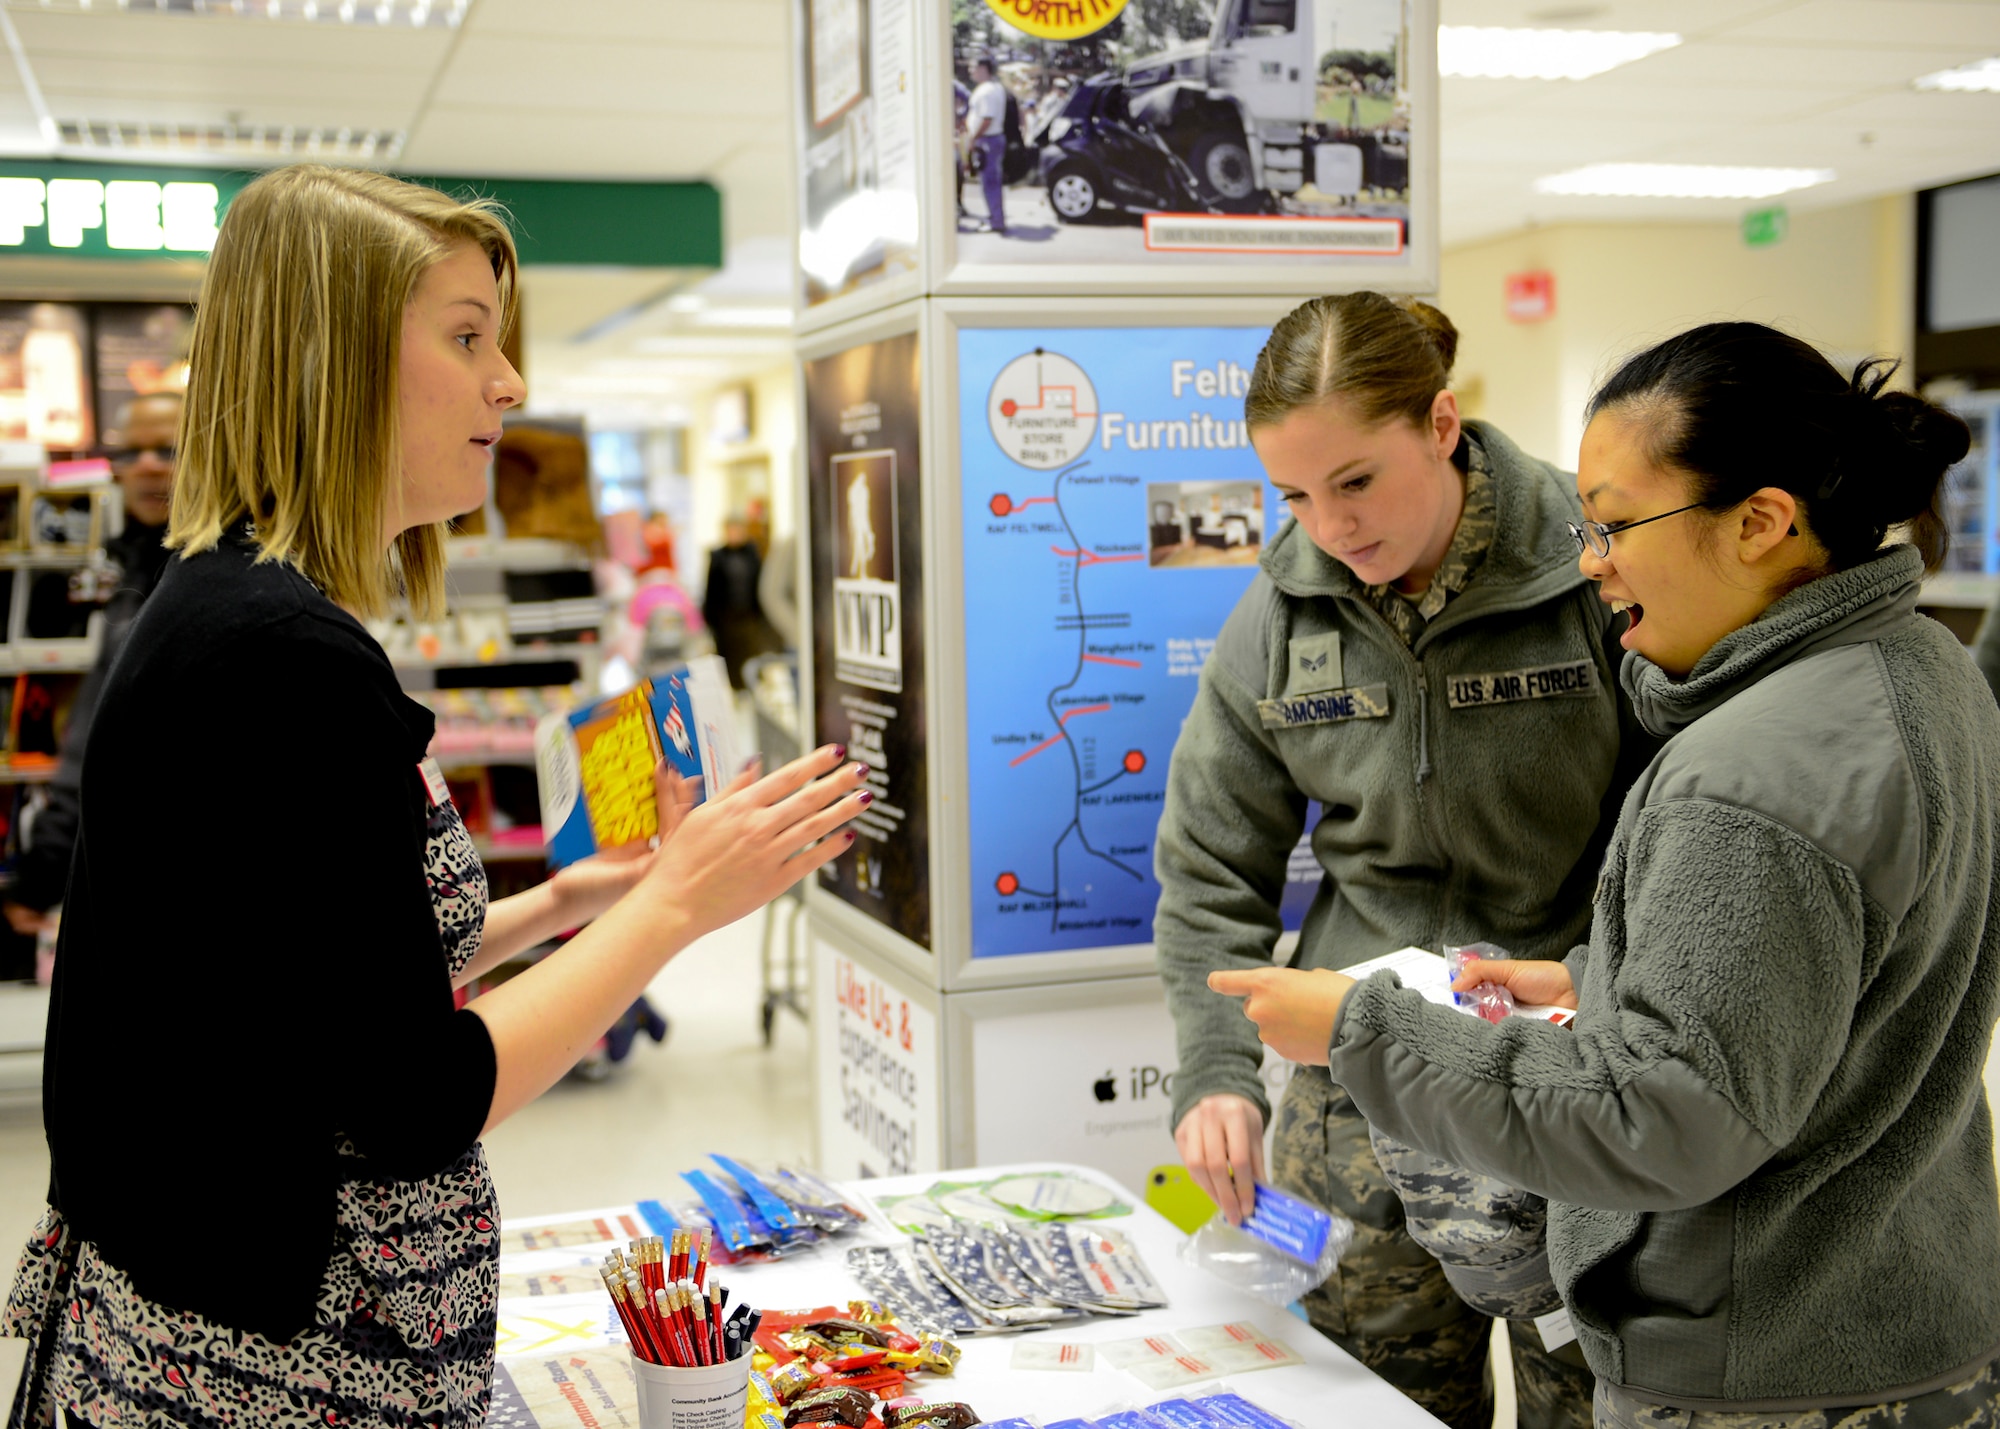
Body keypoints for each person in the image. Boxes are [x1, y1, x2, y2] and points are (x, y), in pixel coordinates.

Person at [2, 164, 867, 1429]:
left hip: (192, 1326)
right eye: (466, 337)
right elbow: (412, 1094)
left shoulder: (232, 608)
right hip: (269, 1366)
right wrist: (673, 905)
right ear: (333, 360)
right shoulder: (281, 656)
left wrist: (566, 900)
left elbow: (311, 988)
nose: (508, 382)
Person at [1216, 323, 2000, 1429]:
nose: (1592, 561)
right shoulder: (1921, 670)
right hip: (1900, 1320)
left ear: (1761, 523)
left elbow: (1663, 1111)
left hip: (1763, 1360)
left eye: (1619, 525)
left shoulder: (1746, 772)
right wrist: (1595, 974)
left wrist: (1360, 1028)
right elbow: (1806, 991)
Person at [1156, 292, 1647, 1429]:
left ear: (1438, 423)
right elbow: (1208, 867)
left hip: (1560, 1082)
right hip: (1354, 1092)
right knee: (1363, 1401)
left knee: (1586, 1397)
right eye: (1293, 494)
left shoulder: (1591, 562)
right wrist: (1216, 1067)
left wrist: (1607, 984)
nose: (1327, 524)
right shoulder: (1280, 612)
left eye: (1356, 481)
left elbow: (1685, 818)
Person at [4, 392, 183, 935]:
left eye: (167, 448)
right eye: (130, 453)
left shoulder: (188, 576)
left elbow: (103, 741)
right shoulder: (126, 564)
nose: (147, 466)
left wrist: (43, 870)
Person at [702, 514, 782, 687]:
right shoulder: (718, 557)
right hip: (726, 619)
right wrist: (709, 617)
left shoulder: (753, 555)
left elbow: (761, 586)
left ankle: (751, 689)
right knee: (729, 659)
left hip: (749, 617)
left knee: (751, 656)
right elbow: (711, 589)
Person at [964, 56, 1009, 236]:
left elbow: (986, 119)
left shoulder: (987, 91)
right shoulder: (995, 88)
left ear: (983, 68)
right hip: (992, 139)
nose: (970, 71)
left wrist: (973, 138)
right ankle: (995, 217)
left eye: (973, 67)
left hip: (988, 140)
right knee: (992, 182)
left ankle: (996, 221)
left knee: (989, 183)